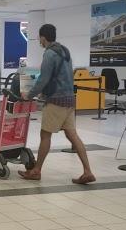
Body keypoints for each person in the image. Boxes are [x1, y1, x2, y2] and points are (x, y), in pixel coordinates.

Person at [19, 24, 95, 185]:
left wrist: (29, 95)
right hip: (69, 99)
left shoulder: (49, 54)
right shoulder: (64, 50)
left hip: (55, 101)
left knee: (45, 135)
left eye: (39, 38)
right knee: (72, 135)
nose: (39, 41)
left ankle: (36, 171)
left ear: (43, 38)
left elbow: (43, 79)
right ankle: (88, 171)